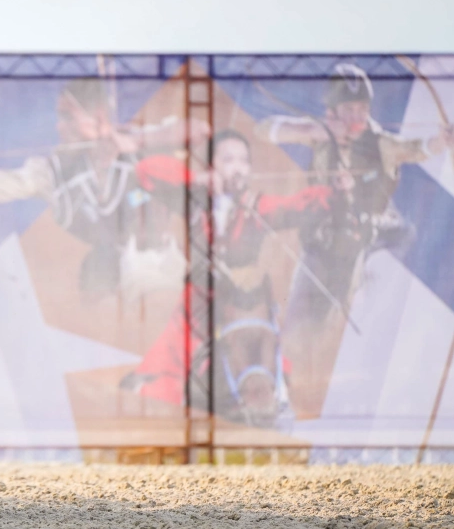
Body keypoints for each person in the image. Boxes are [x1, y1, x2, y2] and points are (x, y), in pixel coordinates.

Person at [120, 130, 332, 424]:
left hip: (241, 312)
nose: (238, 168)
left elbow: (296, 205)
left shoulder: (256, 205)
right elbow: (146, 171)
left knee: (272, 381)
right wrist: (197, 181)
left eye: (244, 161)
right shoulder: (192, 199)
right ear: (211, 167)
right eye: (228, 159)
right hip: (197, 314)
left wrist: (332, 192)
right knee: (160, 390)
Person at [255, 63, 454, 326]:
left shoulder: (380, 143)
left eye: (362, 110)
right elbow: (263, 129)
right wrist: (310, 131)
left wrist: (442, 142)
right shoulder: (319, 132)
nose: (356, 118)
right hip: (320, 245)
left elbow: (413, 149)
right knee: (296, 323)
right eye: (349, 110)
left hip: (363, 246)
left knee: (347, 321)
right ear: (331, 112)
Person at [0, 78, 210, 299]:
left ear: (98, 117)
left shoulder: (136, 142)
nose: (60, 126)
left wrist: (136, 141)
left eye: (68, 117)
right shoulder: (55, 172)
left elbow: (201, 130)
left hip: (170, 274)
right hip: (119, 292)